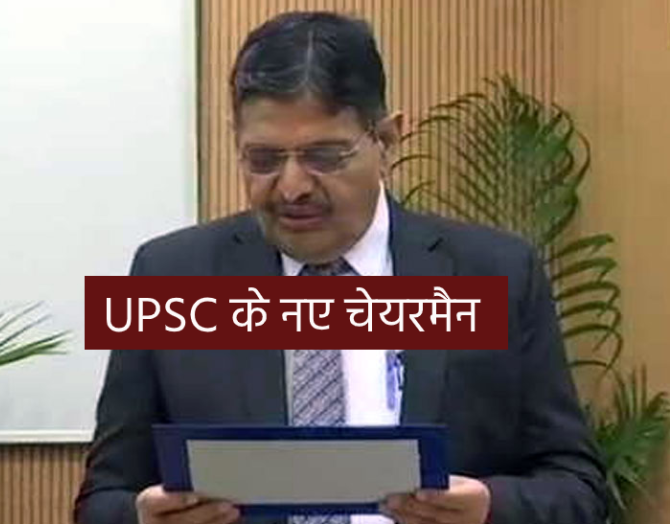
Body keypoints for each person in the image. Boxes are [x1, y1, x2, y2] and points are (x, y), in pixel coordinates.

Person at [74, 11, 607, 524]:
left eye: (324, 157)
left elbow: (577, 488)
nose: (291, 187)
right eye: (263, 160)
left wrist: (492, 507)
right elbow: (101, 500)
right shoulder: (169, 277)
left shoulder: (495, 274)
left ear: (387, 140)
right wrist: (142, 517)